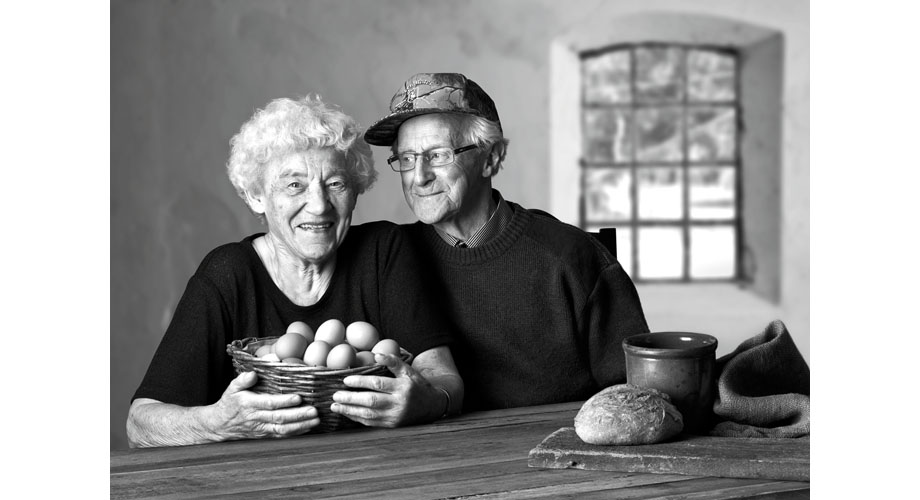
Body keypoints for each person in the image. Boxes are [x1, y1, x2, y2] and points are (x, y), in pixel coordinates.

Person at [127, 95, 463, 448]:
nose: (319, 206)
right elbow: (140, 424)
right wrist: (218, 423)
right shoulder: (228, 274)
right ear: (257, 196)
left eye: (336, 184)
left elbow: (446, 379)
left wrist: (427, 402)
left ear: (355, 192)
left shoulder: (383, 251)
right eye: (294, 185)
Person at [363, 73, 649, 412]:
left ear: (491, 158)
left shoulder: (570, 257)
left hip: (552, 451)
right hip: (428, 457)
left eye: (438, 155)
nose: (419, 176)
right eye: (407, 158)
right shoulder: (389, 260)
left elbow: (636, 398)